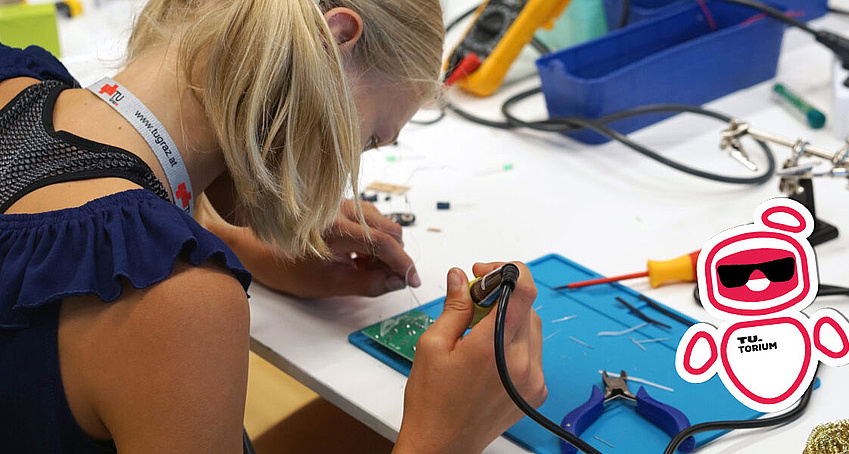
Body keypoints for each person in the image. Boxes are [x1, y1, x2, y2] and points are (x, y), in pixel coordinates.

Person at [0, 0, 546, 453]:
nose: (350, 165)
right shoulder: (175, 302)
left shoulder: (15, 81)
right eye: (370, 138)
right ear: (334, 44)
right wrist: (444, 438)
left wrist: (237, 240)